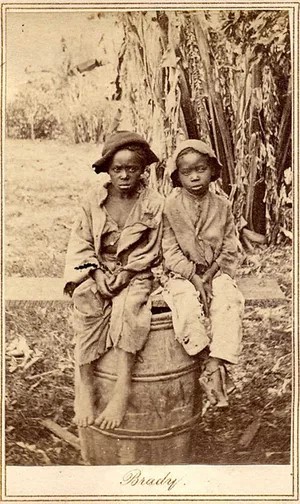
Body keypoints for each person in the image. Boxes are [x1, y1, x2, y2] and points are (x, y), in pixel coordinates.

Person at [64, 131, 164, 429]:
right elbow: (80, 242)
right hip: (98, 266)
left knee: (129, 308)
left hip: (135, 271)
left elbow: (153, 247)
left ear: (143, 169)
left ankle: (121, 389)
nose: (124, 175)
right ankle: (84, 385)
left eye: (131, 168)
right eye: (117, 169)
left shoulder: (152, 204)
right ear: (107, 170)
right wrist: (95, 272)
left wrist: (128, 273)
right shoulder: (93, 202)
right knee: (86, 301)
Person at [162, 139, 244, 408]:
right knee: (184, 304)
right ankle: (205, 360)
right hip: (181, 275)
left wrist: (209, 275)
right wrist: (193, 277)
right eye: (186, 172)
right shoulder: (171, 207)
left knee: (228, 300)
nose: (195, 177)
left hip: (214, 272)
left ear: (212, 170)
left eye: (200, 169)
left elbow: (230, 247)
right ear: (177, 176)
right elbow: (169, 251)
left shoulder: (222, 206)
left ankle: (215, 364)